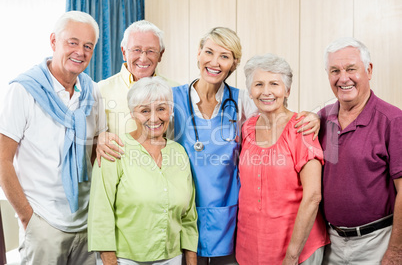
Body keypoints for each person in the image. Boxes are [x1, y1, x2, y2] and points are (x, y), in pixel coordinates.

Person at [97, 26, 320, 264]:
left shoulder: (243, 101)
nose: (214, 62)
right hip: (180, 213)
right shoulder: (172, 97)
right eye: (209, 52)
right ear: (198, 54)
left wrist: (313, 117)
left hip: (229, 219)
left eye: (224, 56)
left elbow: (276, 114)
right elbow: (145, 128)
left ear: (233, 64)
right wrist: (104, 136)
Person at [0, 11, 106, 264]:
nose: (80, 51)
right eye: (72, 42)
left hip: (86, 225)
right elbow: (3, 160)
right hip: (43, 224)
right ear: (53, 42)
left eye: (87, 46)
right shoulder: (23, 90)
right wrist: (28, 218)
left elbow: (95, 153)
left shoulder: (93, 92)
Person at [88, 76, 198, 265]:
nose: (154, 118)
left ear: (170, 111)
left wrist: (191, 260)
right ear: (132, 113)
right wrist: (109, 261)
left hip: (172, 257)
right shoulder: (114, 149)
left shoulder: (179, 153)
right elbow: (101, 212)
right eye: (144, 110)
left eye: (161, 109)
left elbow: (189, 215)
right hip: (125, 260)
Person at [235, 53, 330, 264]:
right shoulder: (247, 128)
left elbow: (313, 196)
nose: (266, 91)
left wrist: (292, 255)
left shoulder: (301, 128)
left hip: (297, 248)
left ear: (287, 90)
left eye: (274, 84)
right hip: (250, 246)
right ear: (250, 91)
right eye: (258, 84)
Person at [319, 37, 402, 264]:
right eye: (335, 70)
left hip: (376, 243)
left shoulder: (393, 120)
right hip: (331, 242)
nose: (343, 78)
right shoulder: (322, 118)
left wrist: (395, 252)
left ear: (369, 70)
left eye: (351, 69)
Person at [97, 20, 178, 157]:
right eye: (136, 50)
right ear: (124, 52)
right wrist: (98, 138)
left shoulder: (177, 90)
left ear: (161, 54)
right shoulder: (100, 90)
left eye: (151, 51)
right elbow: (90, 141)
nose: (143, 58)